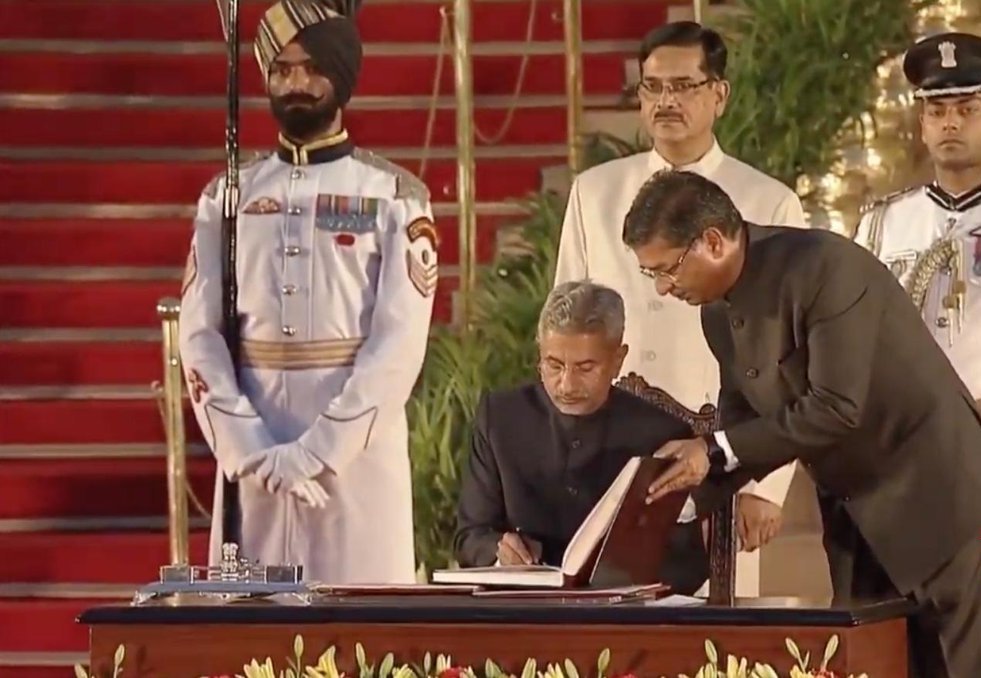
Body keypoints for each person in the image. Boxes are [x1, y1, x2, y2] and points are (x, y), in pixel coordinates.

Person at [624, 169, 981, 678]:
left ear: (713, 241)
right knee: (870, 665)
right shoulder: (716, 314)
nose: (662, 287)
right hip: (856, 516)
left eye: (668, 268)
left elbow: (836, 407)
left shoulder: (825, 267)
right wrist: (676, 497)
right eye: (650, 274)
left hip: (941, 504)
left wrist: (715, 451)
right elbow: (742, 421)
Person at [179, 0, 437, 583]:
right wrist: (248, 448)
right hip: (254, 451)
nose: (296, 83)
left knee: (364, 641)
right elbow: (200, 334)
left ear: (341, 77)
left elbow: (400, 343)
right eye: (282, 69)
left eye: (312, 68)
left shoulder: (394, 193)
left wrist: (320, 451)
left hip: (357, 459)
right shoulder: (228, 194)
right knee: (251, 645)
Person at [555, 21, 805, 594]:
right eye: (652, 87)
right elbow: (565, 323)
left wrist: (765, 485)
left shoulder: (767, 200)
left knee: (717, 630)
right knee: (606, 618)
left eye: (684, 86)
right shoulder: (595, 192)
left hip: (723, 447)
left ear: (719, 94)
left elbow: (791, 352)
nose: (666, 101)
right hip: (610, 443)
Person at [454, 281, 709, 595]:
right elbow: (469, 538)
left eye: (585, 367)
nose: (566, 385)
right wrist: (498, 551)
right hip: (523, 612)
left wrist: (630, 581)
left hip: (622, 618)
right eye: (554, 365)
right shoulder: (500, 418)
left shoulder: (662, 435)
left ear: (618, 359)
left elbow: (690, 563)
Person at [855, 32, 981, 409]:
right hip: (906, 426)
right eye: (937, 112)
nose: (951, 124)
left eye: (967, 109)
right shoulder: (882, 223)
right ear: (923, 125)